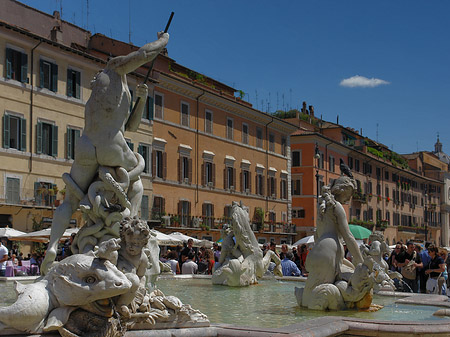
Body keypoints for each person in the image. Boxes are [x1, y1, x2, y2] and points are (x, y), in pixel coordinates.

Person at [41, 31, 170, 274]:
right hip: (111, 143)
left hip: (86, 145)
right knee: (138, 184)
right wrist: (163, 41)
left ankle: (53, 245)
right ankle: (130, 231)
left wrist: (141, 100)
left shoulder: (99, 97)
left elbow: (131, 126)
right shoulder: (113, 68)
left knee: (70, 201)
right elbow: (144, 54)